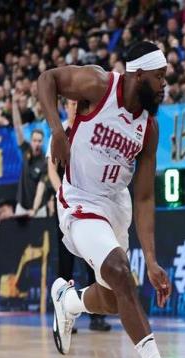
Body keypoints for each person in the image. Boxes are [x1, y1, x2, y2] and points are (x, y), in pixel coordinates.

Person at [37, 41, 185, 358]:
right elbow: (47, 80)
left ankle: (69, 301)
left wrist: (151, 259)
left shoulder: (149, 128)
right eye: (159, 77)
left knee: (114, 297)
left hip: (116, 206)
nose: (164, 85)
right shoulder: (99, 84)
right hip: (80, 199)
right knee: (121, 274)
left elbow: (144, 198)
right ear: (138, 74)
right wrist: (57, 131)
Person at [44, 98, 112, 333]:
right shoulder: (59, 132)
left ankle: (97, 315)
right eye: (71, 104)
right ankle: (63, 314)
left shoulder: (90, 129)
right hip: (66, 204)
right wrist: (61, 193)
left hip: (88, 202)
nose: (74, 108)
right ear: (65, 107)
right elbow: (52, 169)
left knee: (93, 258)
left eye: (77, 104)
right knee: (65, 261)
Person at [12, 92, 48, 217]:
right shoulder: (26, 149)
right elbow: (17, 127)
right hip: (21, 206)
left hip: (39, 209)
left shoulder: (45, 161)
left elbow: (41, 188)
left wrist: (34, 209)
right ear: (31, 141)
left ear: (42, 142)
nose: (37, 143)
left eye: (39, 141)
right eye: (34, 140)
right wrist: (14, 104)